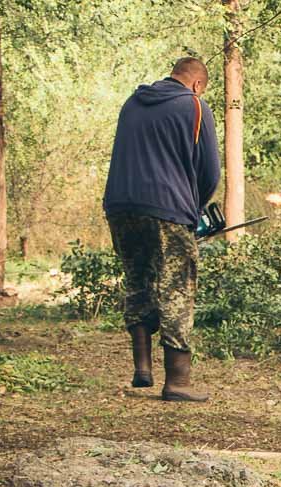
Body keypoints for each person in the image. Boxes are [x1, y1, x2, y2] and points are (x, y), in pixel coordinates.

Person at [103, 57, 220, 402]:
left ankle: (142, 368)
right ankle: (177, 383)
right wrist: (193, 208)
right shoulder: (195, 107)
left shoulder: (132, 102)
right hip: (168, 209)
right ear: (197, 84)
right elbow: (209, 171)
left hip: (120, 206)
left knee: (138, 281)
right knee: (176, 289)